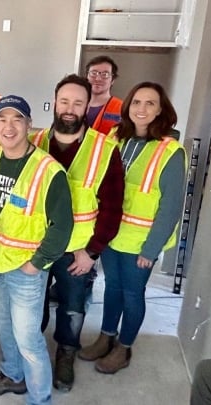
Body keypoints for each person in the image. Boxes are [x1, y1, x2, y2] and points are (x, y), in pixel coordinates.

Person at [79, 82, 186, 375]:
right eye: (136, 102)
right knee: (111, 288)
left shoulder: (170, 151)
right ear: (127, 107)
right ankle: (106, 336)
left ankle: (124, 348)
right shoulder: (117, 139)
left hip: (141, 243)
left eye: (150, 103)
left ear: (161, 110)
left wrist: (151, 250)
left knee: (132, 293)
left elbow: (171, 207)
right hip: (113, 236)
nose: (142, 109)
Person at [30, 74, 125, 391]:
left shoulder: (104, 150)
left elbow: (112, 208)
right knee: (34, 303)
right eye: (64, 101)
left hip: (77, 251)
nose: (70, 109)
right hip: (38, 246)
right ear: (55, 102)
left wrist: (93, 251)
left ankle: (65, 356)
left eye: (78, 103)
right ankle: (33, 353)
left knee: (72, 309)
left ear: (88, 106)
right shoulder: (37, 142)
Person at [0, 95, 73, 404]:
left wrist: (38, 263)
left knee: (29, 341)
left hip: (25, 270)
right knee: (3, 327)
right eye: (2, 119)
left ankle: (39, 398)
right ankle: (13, 375)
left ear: (29, 125)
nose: (9, 126)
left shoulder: (49, 171)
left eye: (17, 119)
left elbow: (62, 226)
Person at [85, 55, 123, 135]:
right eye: (93, 73)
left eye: (105, 74)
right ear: (87, 76)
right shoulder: (76, 104)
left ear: (112, 80)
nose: (98, 78)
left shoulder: (123, 108)